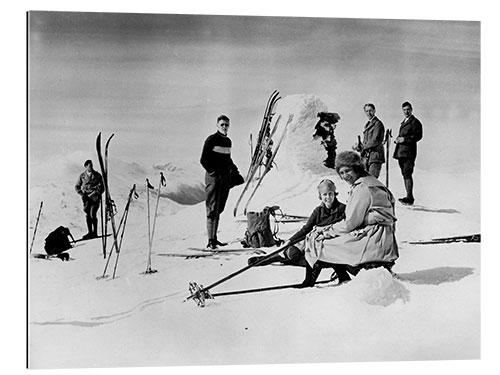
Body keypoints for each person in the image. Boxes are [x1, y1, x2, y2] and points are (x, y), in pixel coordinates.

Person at [299, 151, 399, 287]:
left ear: (356, 168)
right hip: (383, 238)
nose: (345, 176)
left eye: (348, 171)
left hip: (373, 239)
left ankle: (310, 282)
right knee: (332, 241)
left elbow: (350, 223)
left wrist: (325, 231)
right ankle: (342, 275)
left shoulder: (362, 187)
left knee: (320, 242)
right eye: (341, 173)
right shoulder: (372, 182)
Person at [247, 179, 348, 285]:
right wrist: (290, 240)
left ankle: (315, 273)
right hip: (315, 240)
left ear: (335, 194)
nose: (328, 197)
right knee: (292, 252)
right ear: (320, 196)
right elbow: (306, 229)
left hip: (330, 244)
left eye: (330, 194)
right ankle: (267, 259)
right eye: (325, 194)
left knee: (311, 256)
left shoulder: (343, 209)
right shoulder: (318, 211)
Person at [200, 115, 242, 250]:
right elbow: (204, 159)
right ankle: (210, 240)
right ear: (217, 125)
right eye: (222, 124)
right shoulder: (211, 139)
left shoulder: (228, 141)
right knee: (212, 208)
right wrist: (213, 172)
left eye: (227, 125)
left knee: (219, 208)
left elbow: (228, 160)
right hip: (214, 178)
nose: (225, 127)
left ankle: (215, 239)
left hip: (225, 179)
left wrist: (235, 173)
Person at [393, 101, 423, 205]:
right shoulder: (404, 121)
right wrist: (398, 139)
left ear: (412, 109)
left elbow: (418, 136)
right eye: (404, 110)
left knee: (407, 173)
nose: (406, 111)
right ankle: (408, 196)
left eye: (408, 109)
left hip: (409, 153)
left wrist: (404, 139)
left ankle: (410, 198)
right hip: (401, 152)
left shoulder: (415, 122)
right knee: (405, 174)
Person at [353, 103, 385, 178]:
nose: (369, 113)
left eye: (370, 110)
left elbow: (375, 140)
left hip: (375, 157)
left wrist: (363, 147)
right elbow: (367, 141)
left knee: (372, 181)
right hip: (367, 157)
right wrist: (359, 146)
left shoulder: (378, 124)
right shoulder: (368, 125)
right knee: (366, 181)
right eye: (366, 111)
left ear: (374, 111)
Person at [75, 160, 104, 239]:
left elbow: (103, 187)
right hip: (86, 199)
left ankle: (95, 233)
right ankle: (90, 232)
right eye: (89, 166)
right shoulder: (82, 176)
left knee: (92, 214)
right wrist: (82, 194)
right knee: (88, 215)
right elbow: (77, 186)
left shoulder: (97, 175)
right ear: (86, 166)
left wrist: (98, 193)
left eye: (92, 165)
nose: (91, 167)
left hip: (95, 198)